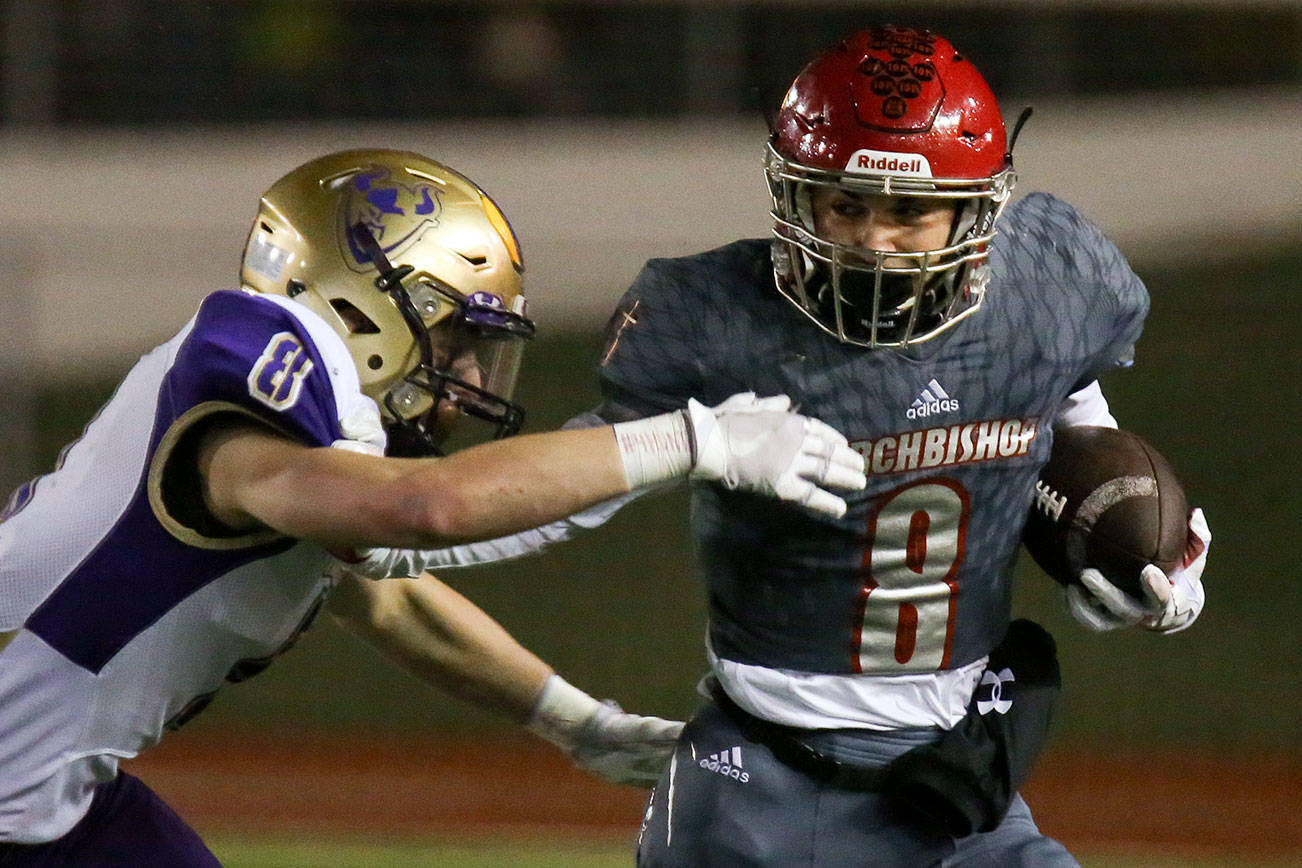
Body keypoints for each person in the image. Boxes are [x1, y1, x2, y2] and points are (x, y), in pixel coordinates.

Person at [366, 26, 1213, 867]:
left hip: (960, 770)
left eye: (910, 211)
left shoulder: (1047, 288)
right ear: (796, 195)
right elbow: (583, 485)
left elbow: (1063, 396)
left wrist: (1120, 529)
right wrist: (383, 533)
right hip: (768, 779)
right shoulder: (716, 318)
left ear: (977, 212)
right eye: (845, 204)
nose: (872, 241)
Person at [0, 149, 868, 864]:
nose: (469, 380)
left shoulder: (307, 452)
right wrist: (691, 441)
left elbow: (382, 592)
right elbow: (421, 511)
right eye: (456, 340)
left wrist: (575, 722)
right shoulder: (262, 364)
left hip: (47, 797)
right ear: (372, 302)